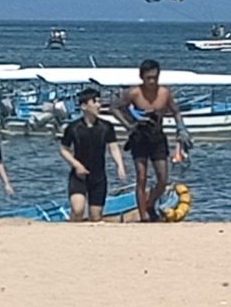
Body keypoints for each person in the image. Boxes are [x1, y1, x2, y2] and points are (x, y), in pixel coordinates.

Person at [117, 59, 185, 222]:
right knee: (141, 176)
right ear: (142, 77)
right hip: (139, 137)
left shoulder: (164, 93)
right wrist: (129, 124)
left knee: (163, 179)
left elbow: (175, 111)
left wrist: (181, 128)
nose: (152, 81)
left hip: (157, 137)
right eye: (149, 78)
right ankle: (143, 216)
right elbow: (115, 107)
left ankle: (149, 203)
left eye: (155, 77)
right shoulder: (134, 93)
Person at [58, 87, 126, 222]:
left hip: (98, 176)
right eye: (94, 102)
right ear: (84, 106)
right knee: (78, 210)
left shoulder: (106, 127)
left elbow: (113, 147)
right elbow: (64, 149)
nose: (98, 105)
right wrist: (76, 164)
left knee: (95, 216)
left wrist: (120, 165)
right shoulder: (74, 128)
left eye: (99, 102)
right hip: (79, 176)